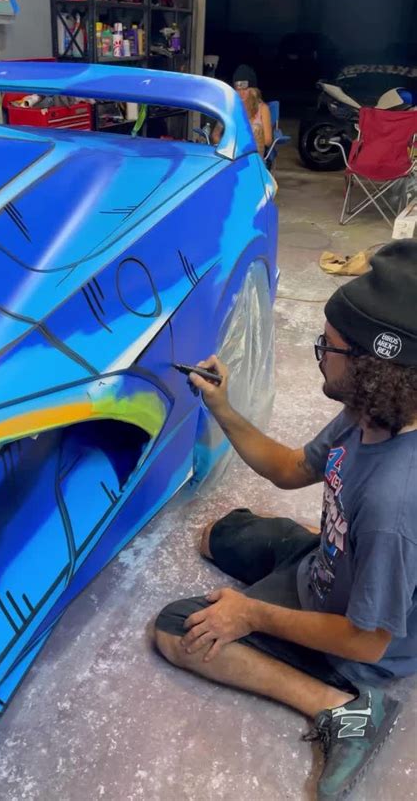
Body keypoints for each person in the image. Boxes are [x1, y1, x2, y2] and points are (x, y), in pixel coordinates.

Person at [154, 240, 417, 801]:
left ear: (375, 366)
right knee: (217, 535)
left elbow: (368, 640)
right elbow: (291, 468)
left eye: (331, 346)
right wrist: (223, 407)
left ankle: (345, 710)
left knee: (178, 630)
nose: (319, 352)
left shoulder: (397, 500)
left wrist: (252, 615)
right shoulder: (365, 417)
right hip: (327, 565)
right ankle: (301, 576)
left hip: (358, 638)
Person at [211, 65, 273, 157]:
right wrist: (226, 149)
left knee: (256, 129)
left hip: (254, 156)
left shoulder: (263, 109)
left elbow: (267, 141)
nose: (241, 93)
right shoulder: (230, 108)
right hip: (232, 156)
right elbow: (215, 135)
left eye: (245, 89)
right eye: (238, 89)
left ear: (253, 91)